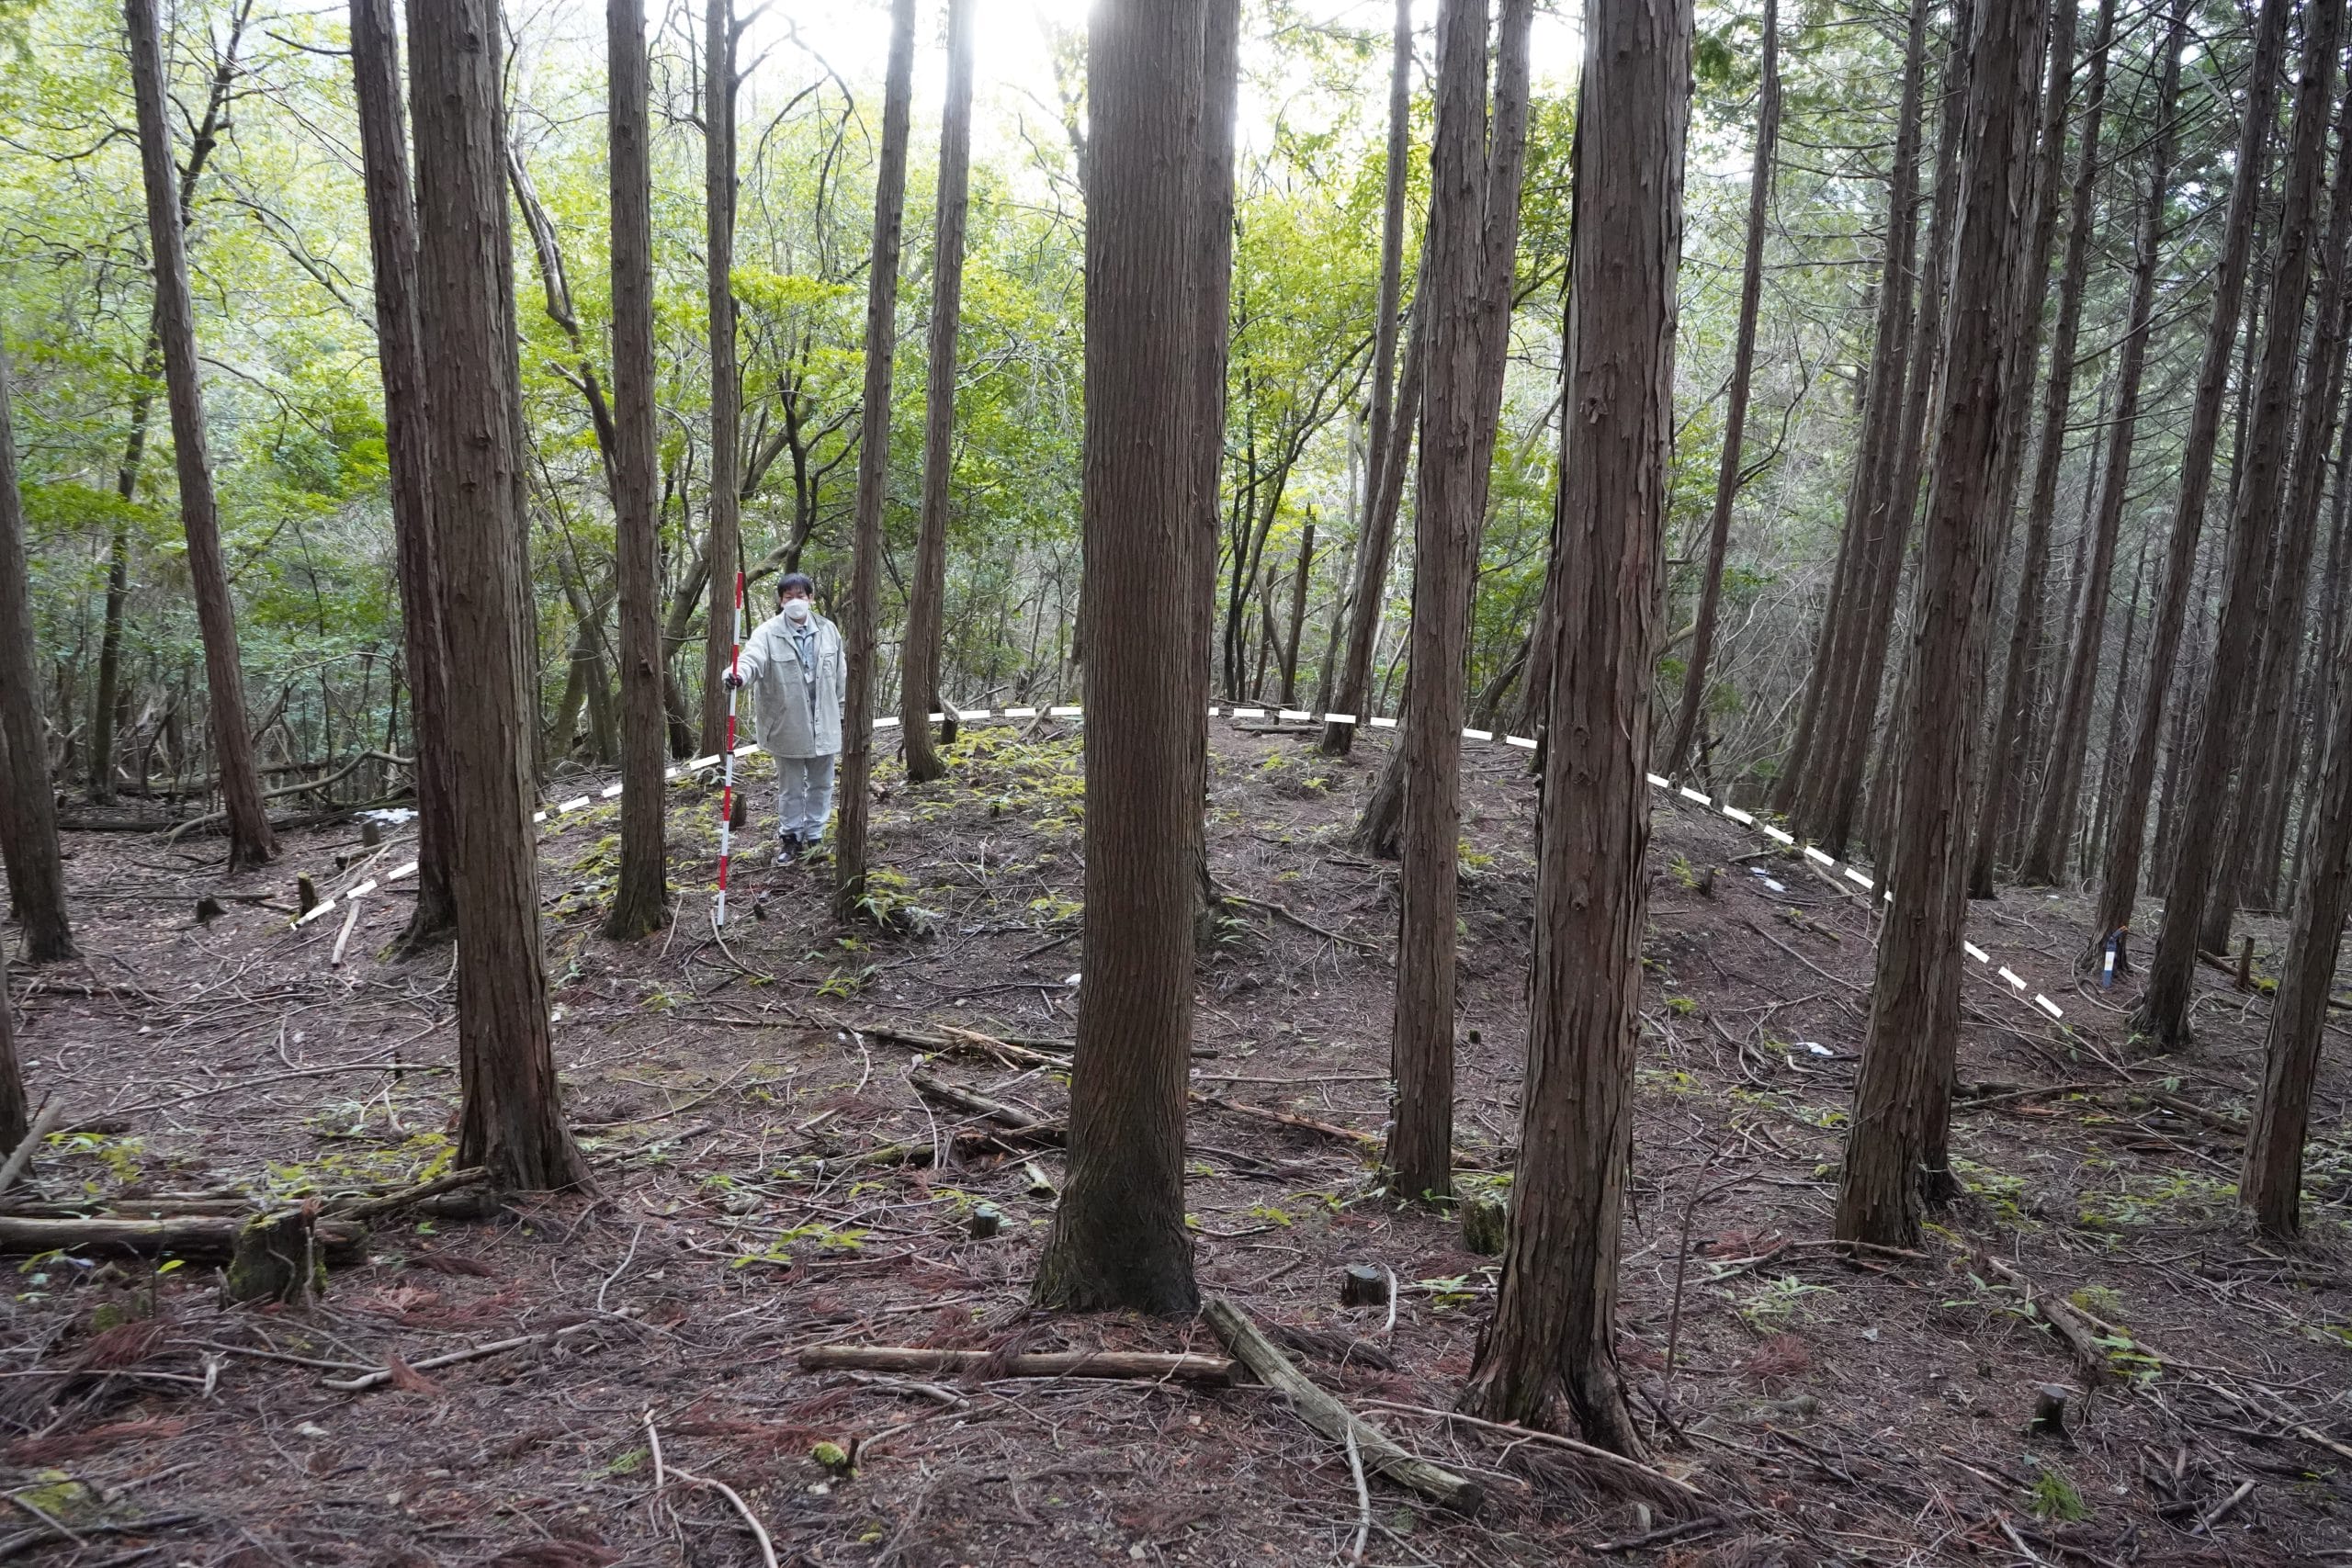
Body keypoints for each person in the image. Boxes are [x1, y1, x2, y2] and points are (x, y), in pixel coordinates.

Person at [726, 572, 844, 866]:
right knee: (791, 786)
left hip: (824, 723)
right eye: (788, 597)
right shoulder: (767, 633)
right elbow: (752, 660)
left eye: (800, 596)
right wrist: (736, 675)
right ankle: (790, 838)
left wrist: (840, 710)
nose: (795, 602)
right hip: (786, 725)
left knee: (822, 784)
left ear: (811, 598)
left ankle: (815, 837)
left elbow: (841, 675)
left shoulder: (828, 630)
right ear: (781, 601)